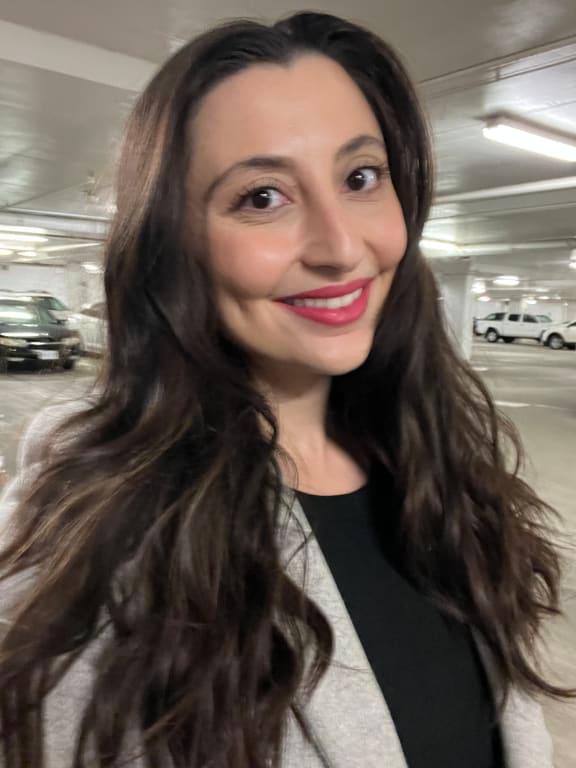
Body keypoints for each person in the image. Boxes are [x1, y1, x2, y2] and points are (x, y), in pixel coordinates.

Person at [0, 11, 573, 768]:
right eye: (263, 197)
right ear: (175, 244)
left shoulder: (438, 461)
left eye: (360, 178)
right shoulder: (99, 533)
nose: (340, 247)